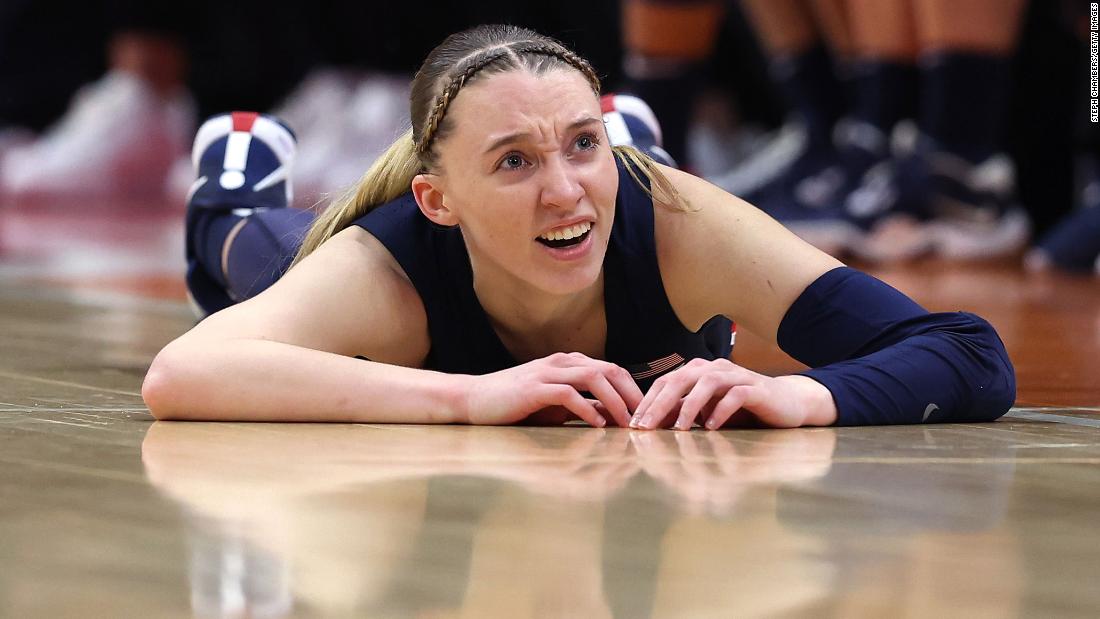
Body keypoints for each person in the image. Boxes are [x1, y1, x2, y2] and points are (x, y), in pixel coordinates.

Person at [142, 24, 1016, 430]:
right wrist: (469, 395)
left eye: (581, 145)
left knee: (630, 201)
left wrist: (805, 394)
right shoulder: (387, 265)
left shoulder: (677, 226)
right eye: (515, 160)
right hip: (366, 258)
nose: (565, 191)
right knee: (248, 257)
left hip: (652, 205)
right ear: (439, 199)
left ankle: (631, 140)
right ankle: (237, 177)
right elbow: (184, 373)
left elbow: (970, 352)